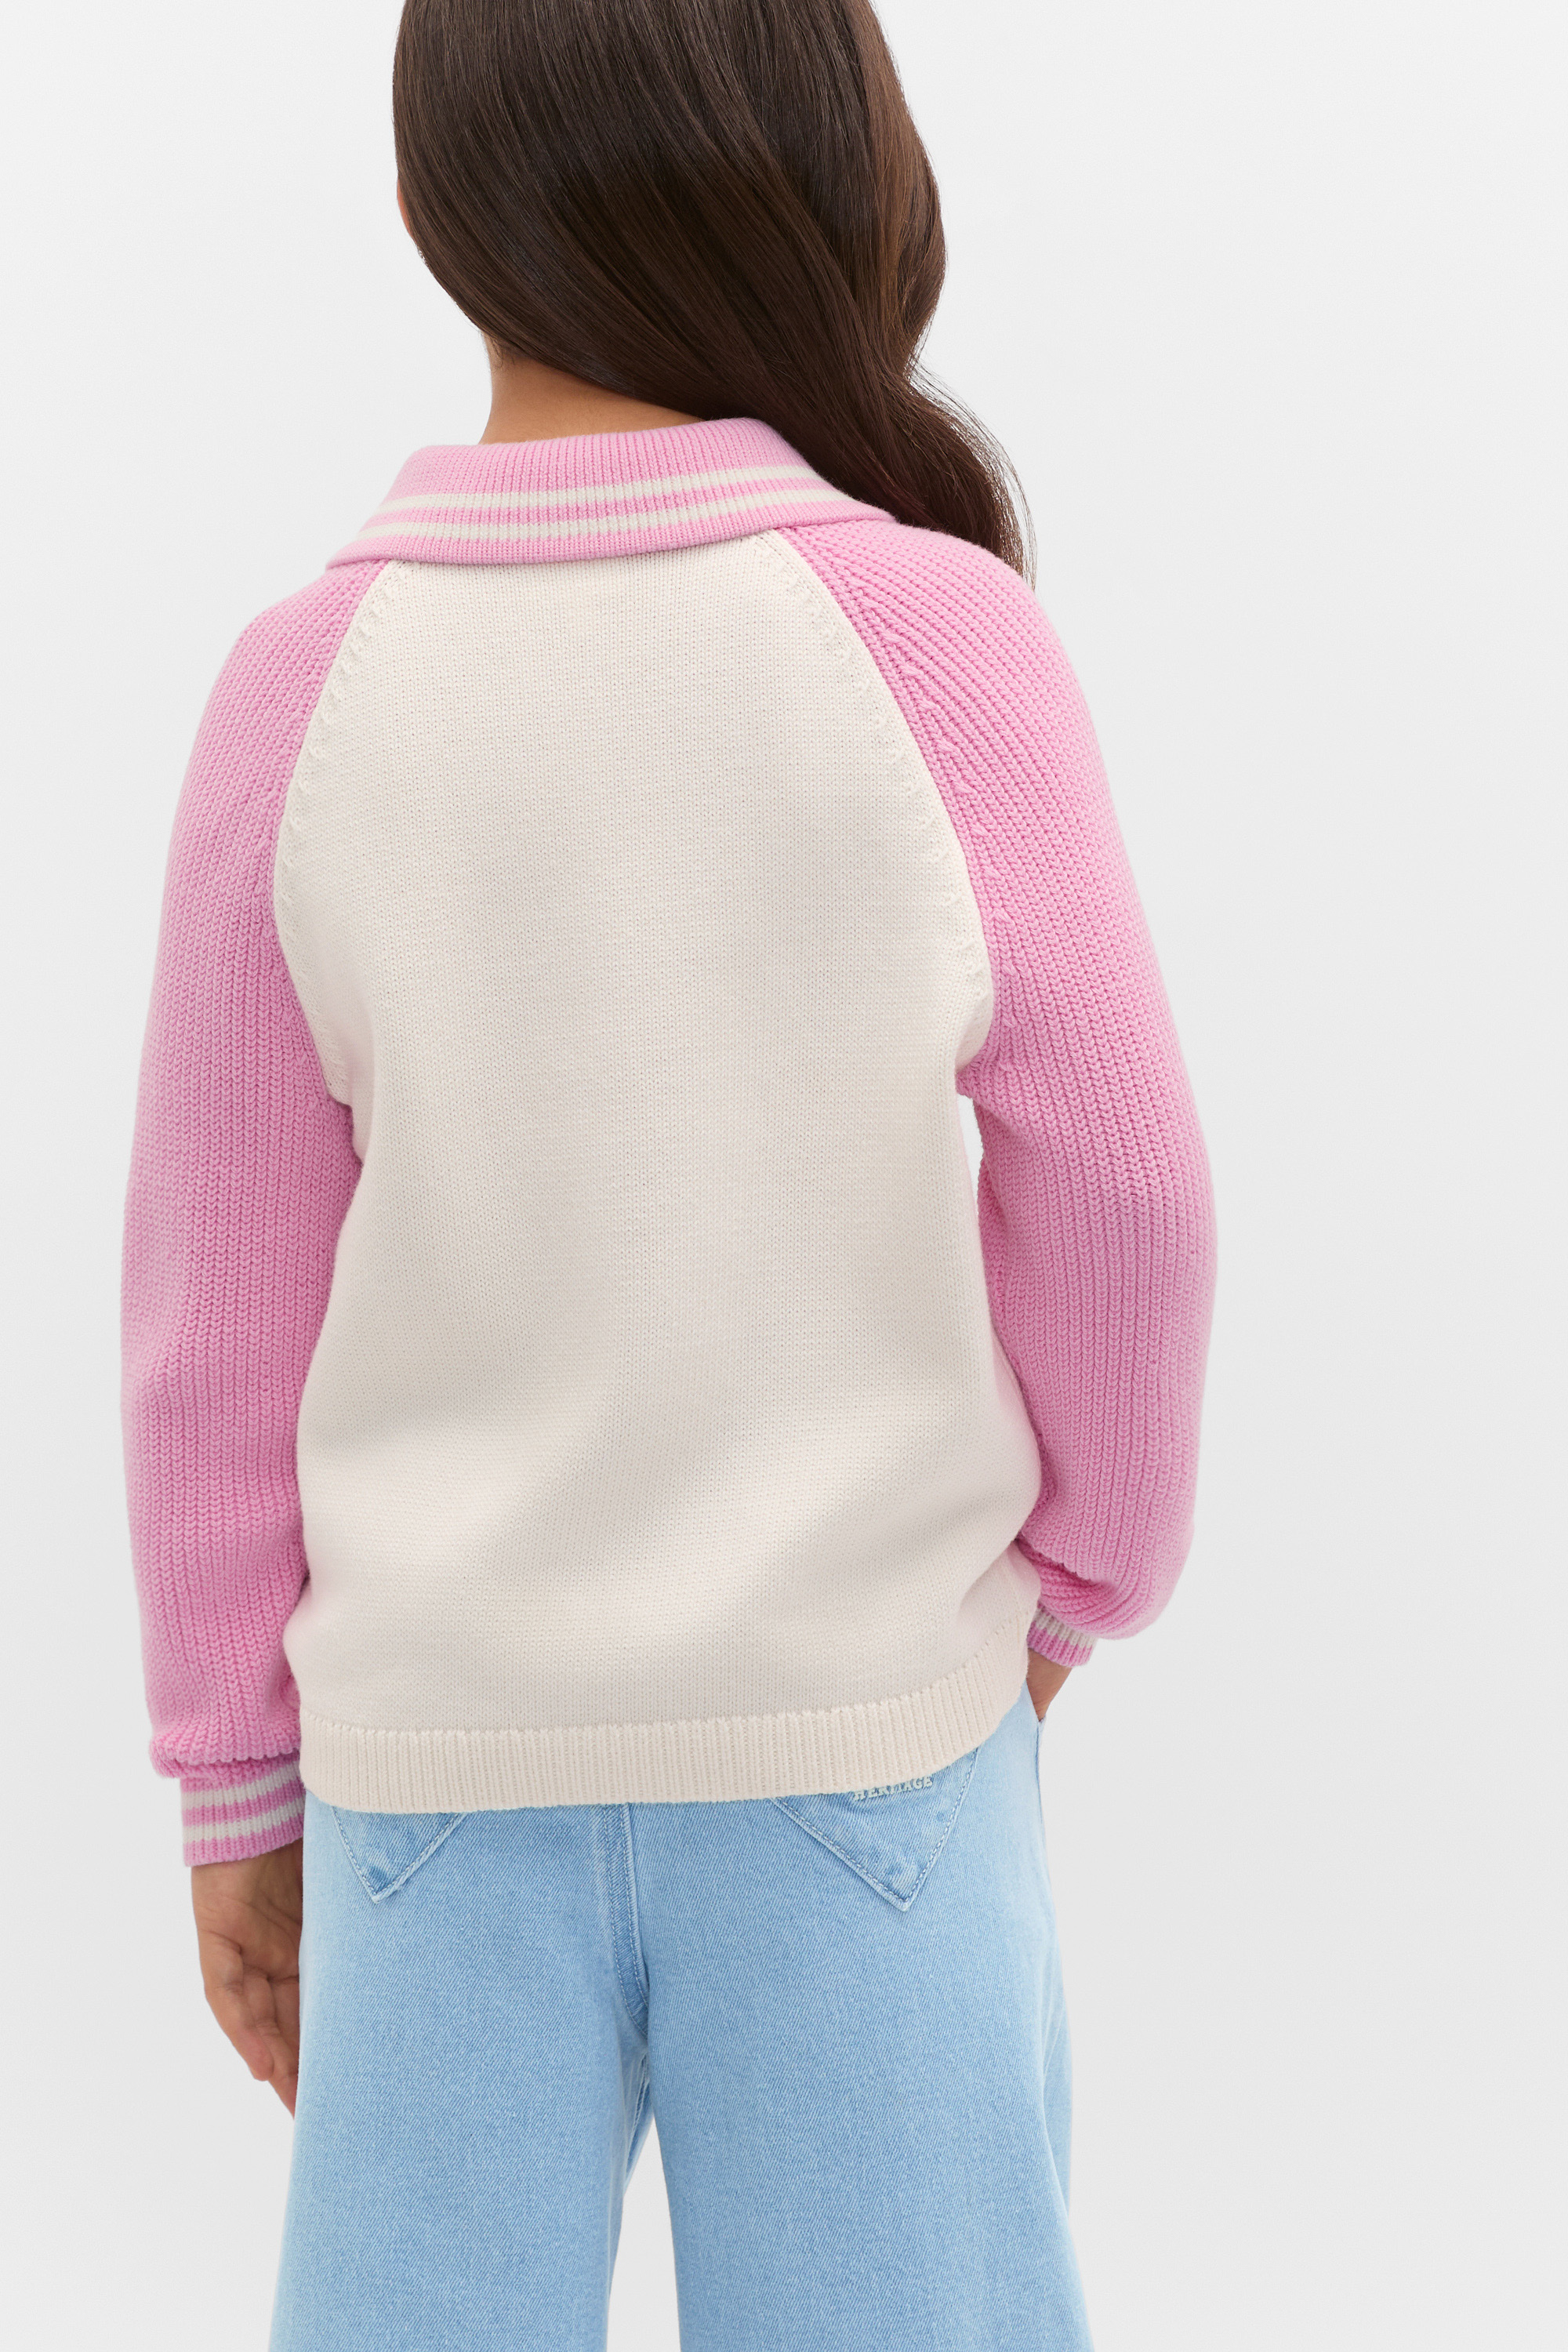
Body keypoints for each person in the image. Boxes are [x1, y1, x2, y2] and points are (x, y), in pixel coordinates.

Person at [121, 2, 1216, 2344]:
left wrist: (233, 1785)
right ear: (842, 163)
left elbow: (212, 1316)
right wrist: (1075, 1588)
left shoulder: (300, 692)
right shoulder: (935, 641)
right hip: (867, 1738)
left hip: (431, 1774)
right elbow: (1126, 1183)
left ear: (430, 202)